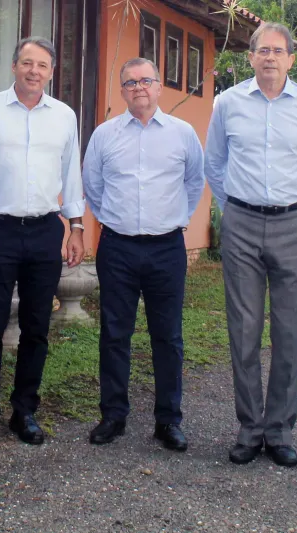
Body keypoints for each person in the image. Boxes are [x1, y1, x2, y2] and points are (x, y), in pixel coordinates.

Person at [205, 22, 297, 467]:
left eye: (279, 51)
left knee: (288, 330)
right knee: (243, 329)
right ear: (251, 56)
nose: (270, 58)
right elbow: (215, 163)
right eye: (263, 50)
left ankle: (279, 429)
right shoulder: (228, 103)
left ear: (292, 59)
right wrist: (237, 208)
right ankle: (249, 427)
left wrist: (290, 205)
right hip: (240, 222)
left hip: (293, 224)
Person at [0, 37, 85, 446]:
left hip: (44, 229)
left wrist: (77, 226)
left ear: (52, 71)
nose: (34, 71)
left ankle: (24, 410)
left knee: (37, 325)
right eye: (27, 63)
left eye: (43, 65)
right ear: (14, 66)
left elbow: (71, 173)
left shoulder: (65, 116)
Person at [82, 58, 204, 451]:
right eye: (130, 82)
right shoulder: (105, 135)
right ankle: (113, 415)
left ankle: (168, 420)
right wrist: (116, 222)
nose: (139, 87)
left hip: (166, 247)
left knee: (167, 337)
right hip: (117, 246)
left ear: (158, 87)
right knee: (115, 334)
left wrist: (174, 220)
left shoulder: (183, 134)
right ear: (122, 91)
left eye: (146, 80)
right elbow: (93, 186)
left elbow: (194, 182)